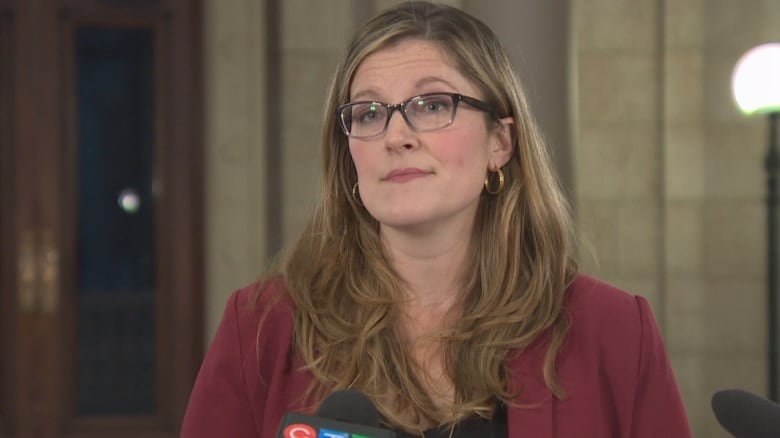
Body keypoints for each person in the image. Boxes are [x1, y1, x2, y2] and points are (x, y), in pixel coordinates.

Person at [180, 2, 692, 437]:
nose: (396, 135)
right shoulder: (263, 327)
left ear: (500, 142)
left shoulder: (615, 330)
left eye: (431, 104)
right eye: (368, 113)